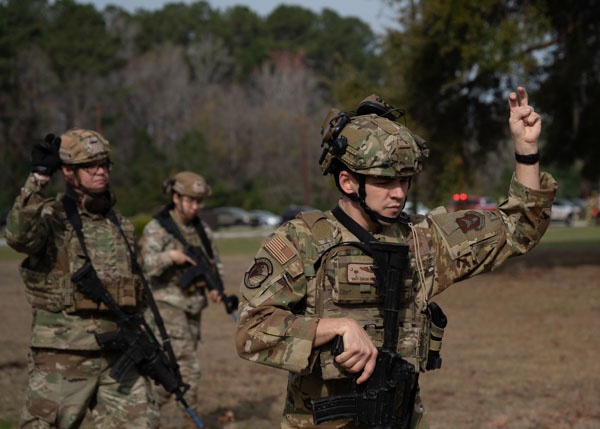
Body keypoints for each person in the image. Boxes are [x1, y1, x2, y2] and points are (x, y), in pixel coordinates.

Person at [235, 87, 557, 428]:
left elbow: (518, 226)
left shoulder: (423, 240)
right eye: (385, 182)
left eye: (405, 181)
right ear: (348, 181)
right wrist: (334, 327)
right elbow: (250, 330)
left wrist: (526, 149)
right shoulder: (303, 241)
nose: (399, 193)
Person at [5, 128, 156, 428]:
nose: (100, 171)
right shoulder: (51, 217)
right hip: (65, 352)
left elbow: (136, 288)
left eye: (104, 164)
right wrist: (38, 180)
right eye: (90, 165)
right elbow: (18, 236)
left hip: (118, 353)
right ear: (68, 172)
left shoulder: (120, 225)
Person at [140, 171, 233, 426]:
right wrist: (170, 257)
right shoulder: (157, 228)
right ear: (175, 197)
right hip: (165, 306)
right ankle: (191, 423)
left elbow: (213, 263)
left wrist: (217, 288)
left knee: (171, 372)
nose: (195, 206)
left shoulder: (201, 229)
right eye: (190, 200)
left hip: (192, 307)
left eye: (199, 201)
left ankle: (141, 413)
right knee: (189, 369)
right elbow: (142, 265)